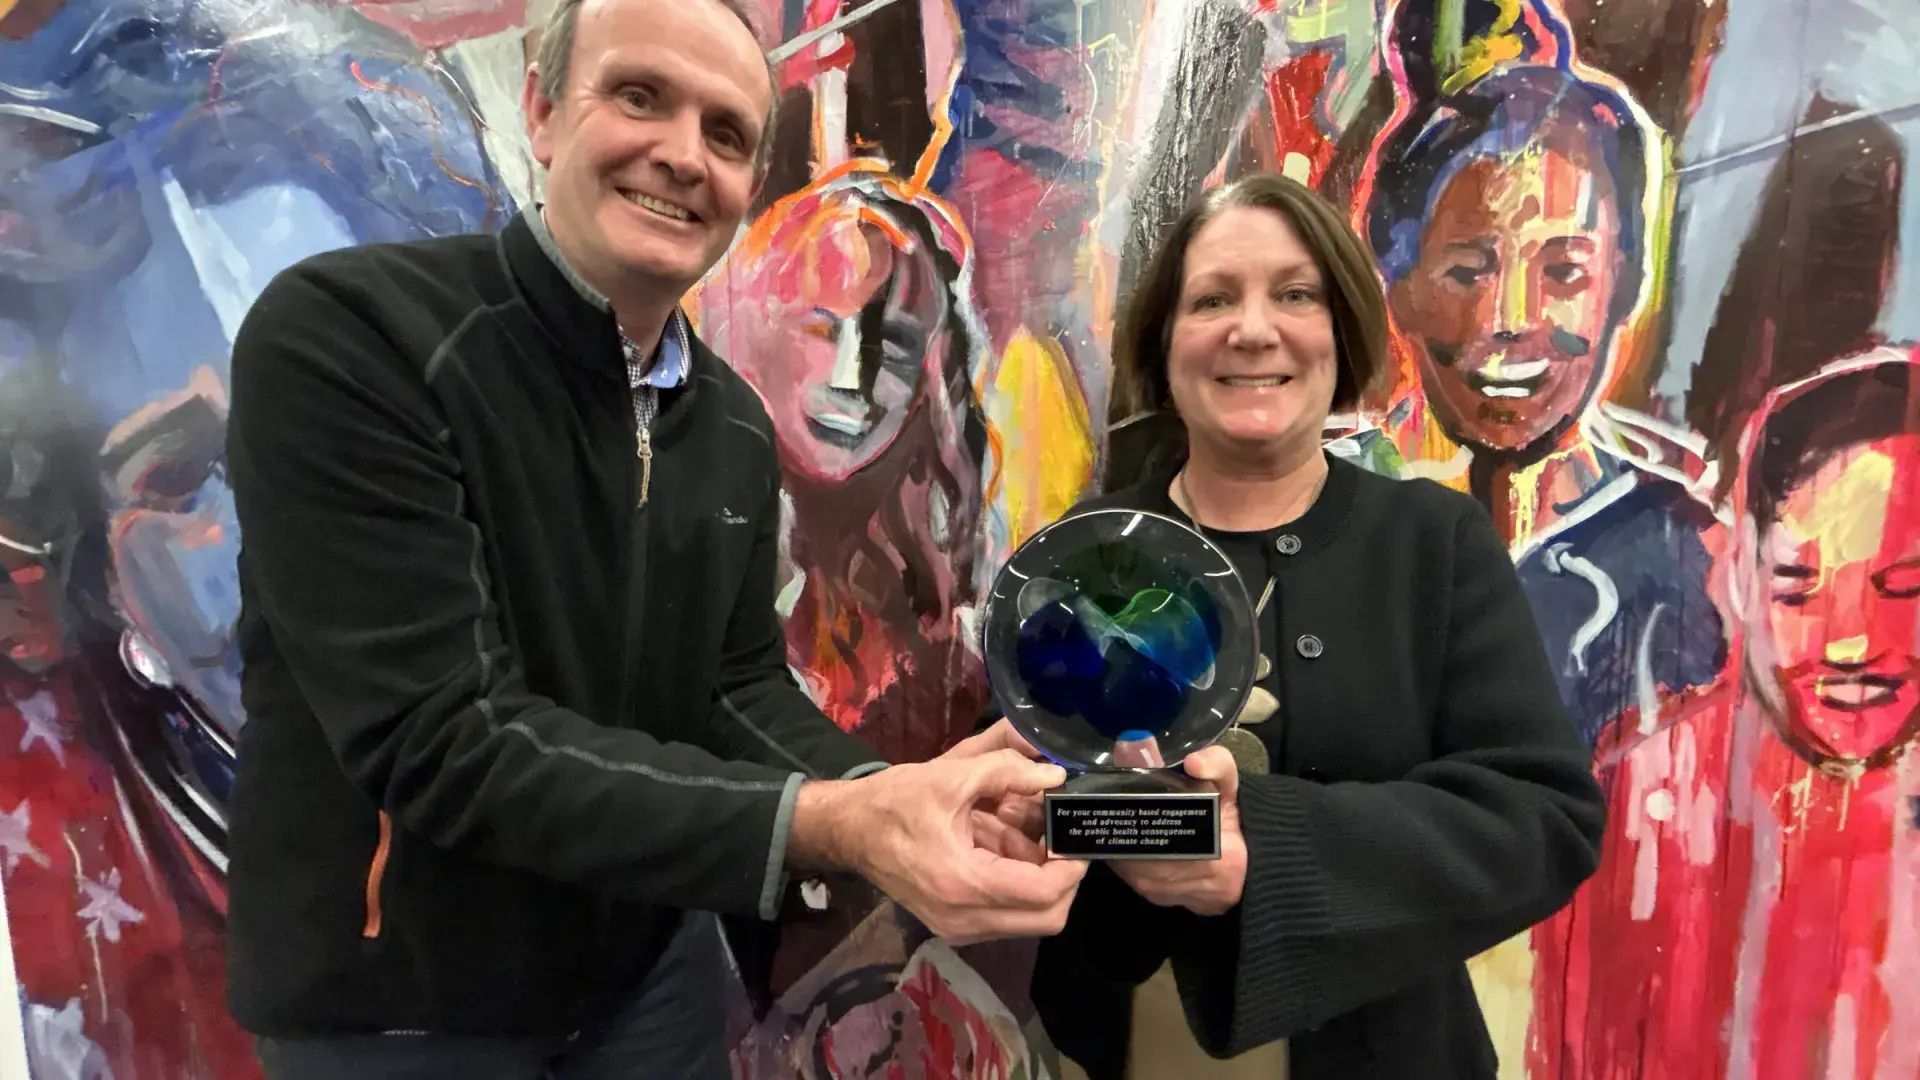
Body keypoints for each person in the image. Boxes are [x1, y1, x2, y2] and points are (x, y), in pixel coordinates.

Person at [218, 0, 1086, 1077]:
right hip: (405, 1011)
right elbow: (442, 738)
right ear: (542, 110)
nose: (682, 155)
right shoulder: (356, 339)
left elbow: (731, 692)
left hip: (645, 988)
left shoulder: (723, 420)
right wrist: (847, 825)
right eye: (640, 97)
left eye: (726, 134)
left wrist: (902, 799)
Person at [1025, 172, 1607, 1078]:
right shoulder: (1078, 559)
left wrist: (1257, 848)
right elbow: (1036, 812)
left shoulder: (1434, 543)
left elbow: (1545, 822)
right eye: (1212, 298)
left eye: (1294, 295)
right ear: (1164, 342)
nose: (1253, 329)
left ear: (1340, 332)